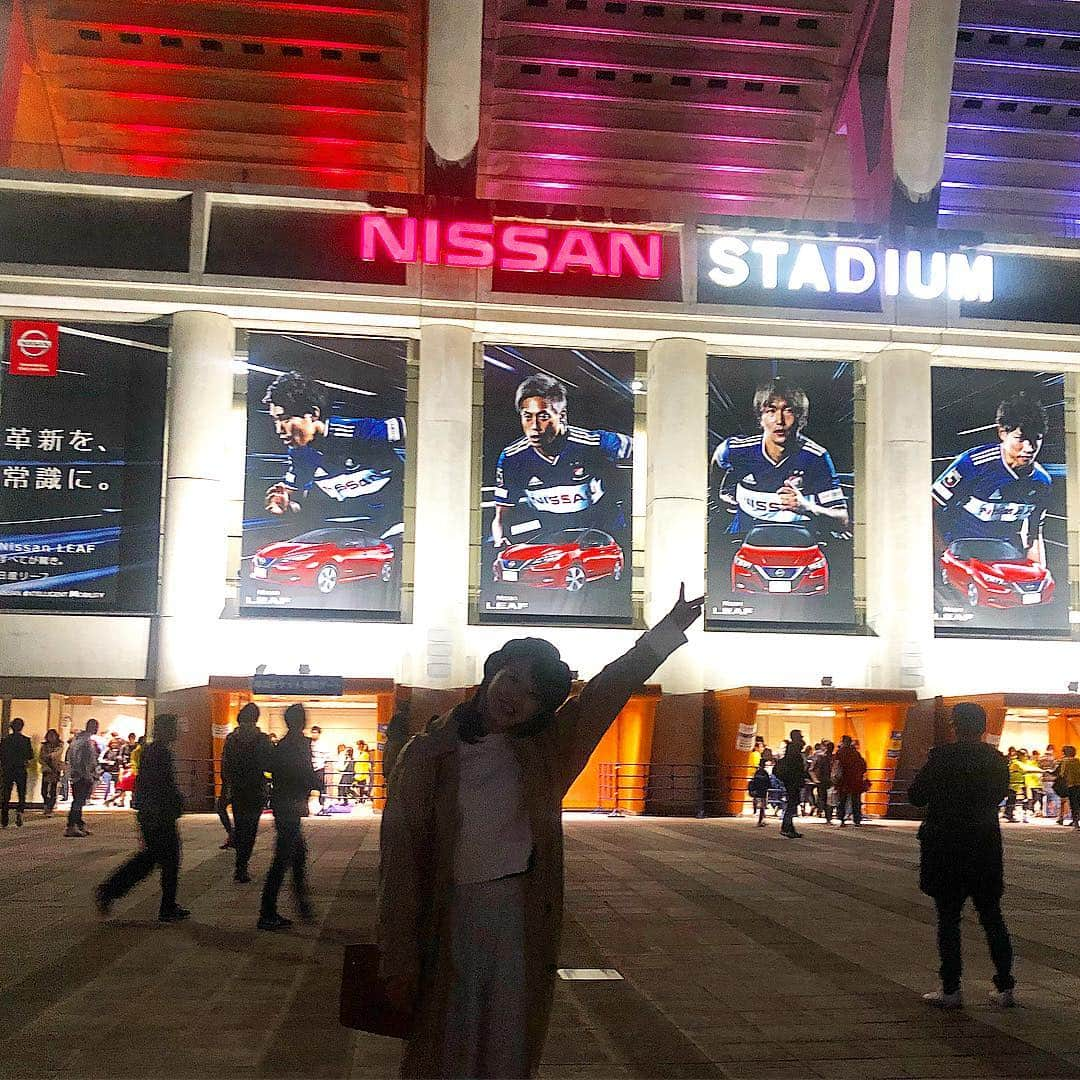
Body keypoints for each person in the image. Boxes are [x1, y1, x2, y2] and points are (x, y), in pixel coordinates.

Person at [378, 586, 702, 1079]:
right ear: (492, 674)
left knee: (508, 1036)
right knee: (448, 1040)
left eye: (532, 692)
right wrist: (397, 953)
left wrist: (665, 633)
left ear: (543, 706)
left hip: (518, 913)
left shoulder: (545, 754)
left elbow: (603, 694)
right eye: (511, 678)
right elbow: (399, 864)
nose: (514, 696)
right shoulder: (427, 756)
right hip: (448, 915)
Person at [908, 702, 1015, 1009]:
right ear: (982, 727)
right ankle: (1005, 986)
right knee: (992, 916)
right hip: (984, 845)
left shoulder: (942, 757)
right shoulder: (996, 760)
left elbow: (916, 796)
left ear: (955, 726)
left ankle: (951, 988)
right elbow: (997, 796)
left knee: (948, 919)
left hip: (947, 846)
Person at [490, 373, 633, 549]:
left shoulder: (595, 443)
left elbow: (647, 449)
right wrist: (501, 539)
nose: (534, 426)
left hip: (607, 537)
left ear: (562, 415)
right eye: (527, 417)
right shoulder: (512, 458)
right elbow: (501, 517)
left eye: (543, 417)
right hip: (554, 543)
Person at [261, 369, 406, 537]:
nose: (279, 429)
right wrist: (284, 504)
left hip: (395, 526)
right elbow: (296, 497)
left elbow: (418, 427)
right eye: (275, 421)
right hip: (353, 533)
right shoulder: (299, 454)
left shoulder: (358, 431)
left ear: (314, 414)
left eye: (285, 418)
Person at [711, 377, 850, 540]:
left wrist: (806, 506)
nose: (780, 420)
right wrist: (718, 494)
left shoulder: (816, 457)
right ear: (760, 418)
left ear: (801, 418)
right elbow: (718, 459)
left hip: (797, 541)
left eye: (788, 410)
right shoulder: (737, 450)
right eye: (771, 411)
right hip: (747, 537)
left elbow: (842, 519)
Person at [933, 393, 1052, 571]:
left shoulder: (1042, 482)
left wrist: (1038, 571)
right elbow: (927, 508)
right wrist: (944, 557)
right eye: (1021, 438)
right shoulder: (974, 463)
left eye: (1037, 438)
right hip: (961, 554)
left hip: (1003, 559)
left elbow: (1033, 534)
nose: (1030, 448)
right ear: (1002, 433)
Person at [95, 714, 189, 923]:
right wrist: (173, 802)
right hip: (157, 814)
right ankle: (111, 891)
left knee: (154, 858)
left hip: (153, 812)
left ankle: (113, 891)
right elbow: (160, 784)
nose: (177, 732)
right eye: (173, 728)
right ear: (165, 730)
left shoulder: (153, 751)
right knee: (162, 859)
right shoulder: (159, 752)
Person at [258, 704, 318, 930]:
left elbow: (272, 768)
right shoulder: (299, 745)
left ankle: (300, 905)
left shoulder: (282, 744)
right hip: (290, 806)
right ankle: (269, 911)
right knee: (283, 859)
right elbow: (304, 772)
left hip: (284, 804)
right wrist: (315, 783)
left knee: (296, 855)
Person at [221, 702, 272, 884]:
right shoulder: (263, 739)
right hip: (256, 789)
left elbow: (225, 765)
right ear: (256, 718)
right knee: (250, 829)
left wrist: (225, 786)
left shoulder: (231, 739)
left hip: (237, 789)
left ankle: (239, 862)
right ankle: (241, 866)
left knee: (241, 825)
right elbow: (269, 764)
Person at [65, 719, 100, 837]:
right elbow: (81, 760)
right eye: (95, 726)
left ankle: (79, 824)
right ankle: (71, 825)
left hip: (79, 774)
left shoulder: (79, 740)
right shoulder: (84, 741)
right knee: (78, 801)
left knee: (79, 800)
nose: (96, 729)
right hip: (82, 775)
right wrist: (86, 775)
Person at [773, 730, 807, 838]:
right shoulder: (795, 751)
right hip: (793, 781)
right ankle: (786, 827)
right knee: (792, 804)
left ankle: (789, 828)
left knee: (792, 803)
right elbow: (797, 768)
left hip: (790, 780)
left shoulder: (791, 749)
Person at [1, 718, 34, 828]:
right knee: (21, 792)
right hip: (21, 768)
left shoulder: (5, 740)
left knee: (6, 793)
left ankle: (4, 817)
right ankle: (19, 811)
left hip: (8, 769)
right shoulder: (25, 740)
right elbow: (30, 756)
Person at [835, 735, 868, 826]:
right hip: (855, 780)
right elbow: (863, 766)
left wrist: (835, 778)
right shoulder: (856, 753)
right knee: (856, 801)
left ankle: (841, 819)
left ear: (843, 742)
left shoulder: (840, 753)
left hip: (843, 780)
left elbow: (836, 766)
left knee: (842, 800)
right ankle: (857, 820)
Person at [38, 729, 64, 816]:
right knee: (44, 790)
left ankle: (50, 808)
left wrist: (48, 756)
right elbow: (41, 757)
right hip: (46, 769)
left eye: (53, 736)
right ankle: (46, 804)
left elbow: (56, 755)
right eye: (49, 736)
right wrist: (45, 763)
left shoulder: (59, 746)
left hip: (55, 769)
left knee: (53, 789)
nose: (51, 738)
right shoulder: (44, 746)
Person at [814, 740, 835, 824]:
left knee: (830, 799)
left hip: (831, 781)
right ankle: (826, 814)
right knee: (823, 798)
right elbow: (812, 769)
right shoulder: (820, 757)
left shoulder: (834, 757)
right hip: (822, 781)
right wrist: (816, 779)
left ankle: (828, 816)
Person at [1058, 745, 1080, 828]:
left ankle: (1075, 822)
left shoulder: (1065, 761)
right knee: (1078, 802)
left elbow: (1062, 774)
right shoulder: (1077, 761)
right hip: (1078, 783)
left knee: (1073, 803)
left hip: (1070, 784)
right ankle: (1076, 820)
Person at [748, 758, 771, 826]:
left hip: (757, 790)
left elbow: (754, 781)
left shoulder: (757, 772)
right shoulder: (765, 773)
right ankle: (760, 820)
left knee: (758, 803)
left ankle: (760, 818)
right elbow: (768, 782)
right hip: (763, 790)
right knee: (762, 806)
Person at [310, 725, 327, 808]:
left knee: (321, 786)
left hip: (319, 767)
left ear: (319, 734)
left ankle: (322, 804)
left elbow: (327, 756)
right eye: (312, 732)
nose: (314, 734)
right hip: (309, 768)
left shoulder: (322, 744)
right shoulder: (308, 743)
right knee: (307, 786)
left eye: (316, 733)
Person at [355, 739, 373, 804]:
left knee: (362, 786)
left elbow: (366, 763)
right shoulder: (360, 753)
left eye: (359, 745)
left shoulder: (365, 754)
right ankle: (361, 797)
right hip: (359, 771)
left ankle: (362, 797)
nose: (358, 747)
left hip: (363, 772)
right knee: (359, 786)